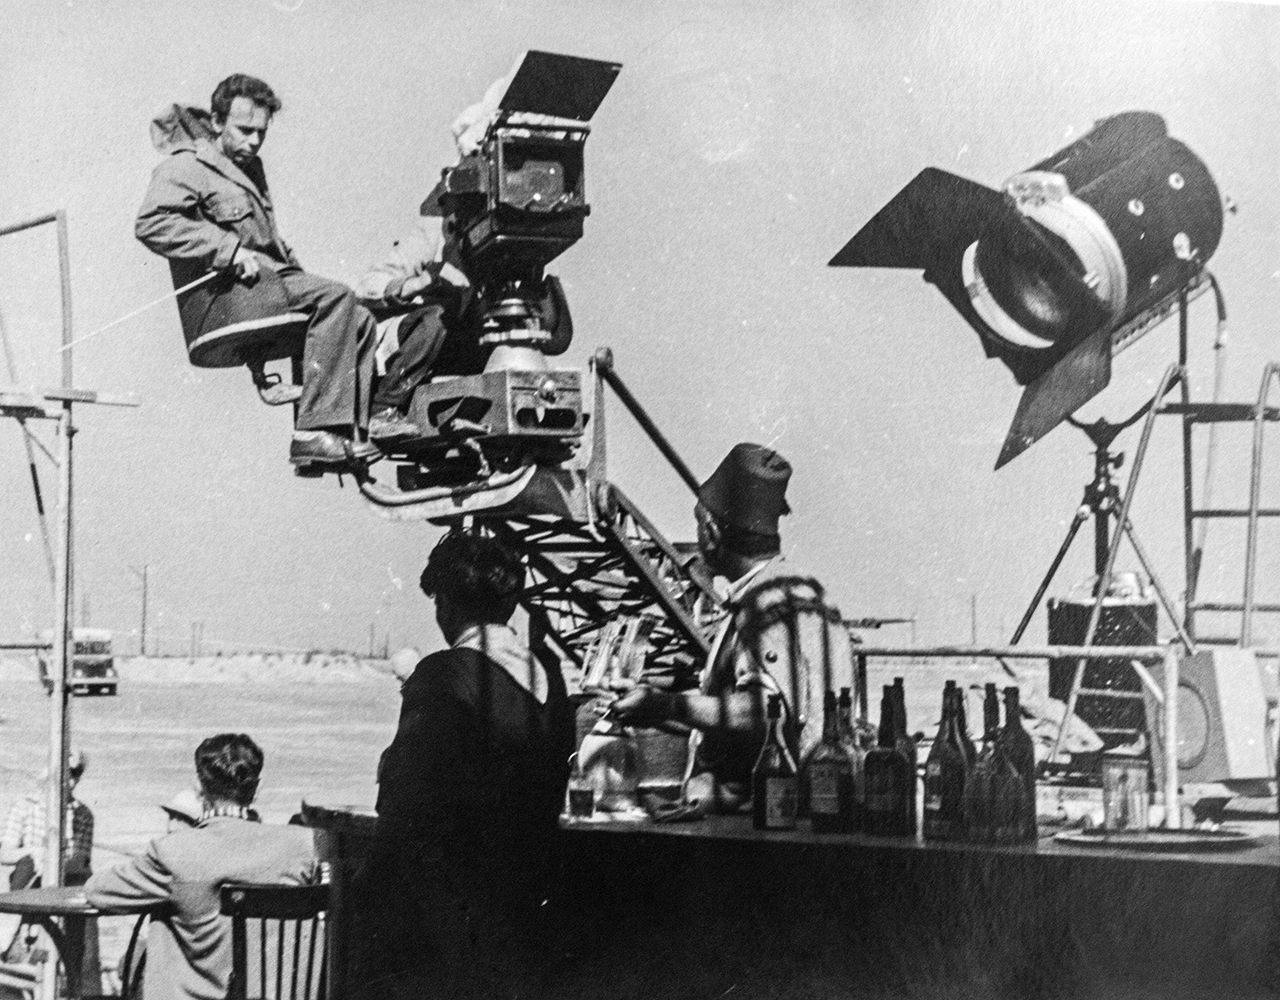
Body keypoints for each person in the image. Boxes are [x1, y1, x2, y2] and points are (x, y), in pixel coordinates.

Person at [136, 73, 400, 470]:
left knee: (359, 317)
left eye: (261, 133)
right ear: (217, 121)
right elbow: (151, 223)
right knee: (337, 299)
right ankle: (312, 432)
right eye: (244, 130)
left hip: (268, 284)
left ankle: (350, 431)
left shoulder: (248, 169)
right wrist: (226, 249)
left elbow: (268, 242)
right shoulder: (188, 166)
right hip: (230, 297)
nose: (254, 141)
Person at [359, 529, 575, 998]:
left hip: (450, 926)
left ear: (445, 604)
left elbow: (401, 805)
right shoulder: (551, 676)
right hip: (524, 914)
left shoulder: (444, 674)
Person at [611, 443, 856, 810]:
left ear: (711, 532)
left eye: (699, 524)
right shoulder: (800, 591)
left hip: (768, 822)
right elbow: (729, 717)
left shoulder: (764, 605)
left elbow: (762, 710)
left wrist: (669, 704)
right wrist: (654, 708)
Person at [85, 734, 319, 1000]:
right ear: (257, 788)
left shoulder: (174, 853)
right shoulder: (303, 846)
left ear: (198, 787)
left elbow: (97, 891)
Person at [0, 749, 94, 888]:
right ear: (50, 771)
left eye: (75, 773)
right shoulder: (24, 807)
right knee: (26, 865)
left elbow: (82, 861)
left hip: (67, 882)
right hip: (30, 883)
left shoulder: (83, 814)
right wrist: (35, 852)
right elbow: (5, 855)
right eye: (64, 771)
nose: (68, 780)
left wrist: (54, 859)